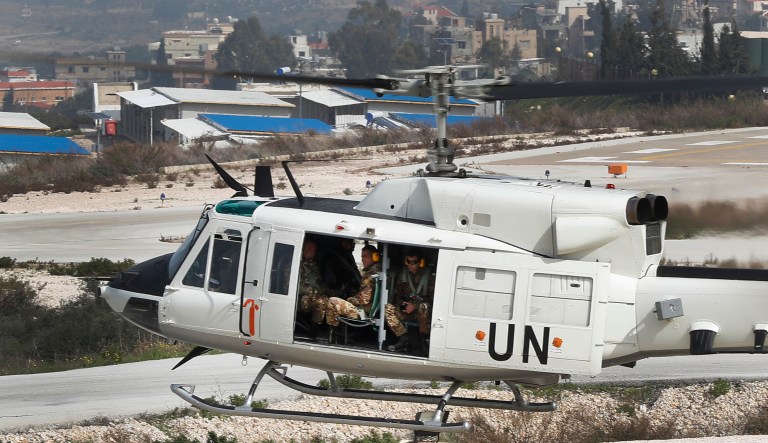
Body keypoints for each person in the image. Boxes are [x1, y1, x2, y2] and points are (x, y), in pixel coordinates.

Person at [384, 251, 434, 353]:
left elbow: (433, 299)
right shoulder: (403, 276)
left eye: (414, 262)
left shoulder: (429, 277)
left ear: (420, 262)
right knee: (387, 309)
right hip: (407, 311)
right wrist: (403, 305)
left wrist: (414, 306)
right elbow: (398, 296)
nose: (410, 265)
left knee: (424, 307)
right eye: (408, 261)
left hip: (423, 312)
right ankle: (404, 340)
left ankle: (424, 341)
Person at [325, 244, 381, 329]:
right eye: (362, 257)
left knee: (333, 301)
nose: (362, 260)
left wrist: (349, 299)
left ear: (375, 257)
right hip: (365, 310)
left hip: (362, 312)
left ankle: (333, 332)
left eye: (365, 256)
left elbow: (363, 300)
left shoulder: (371, 275)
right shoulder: (376, 272)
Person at [297, 240, 329, 337]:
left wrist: (328, 290)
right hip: (300, 299)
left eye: (314, 250)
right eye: (309, 249)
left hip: (313, 297)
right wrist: (316, 292)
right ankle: (315, 330)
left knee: (333, 300)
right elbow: (297, 287)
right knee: (321, 301)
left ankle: (331, 330)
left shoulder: (314, 267)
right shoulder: (296, 266)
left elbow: (320, 283)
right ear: (303, 249)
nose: (312, 251)